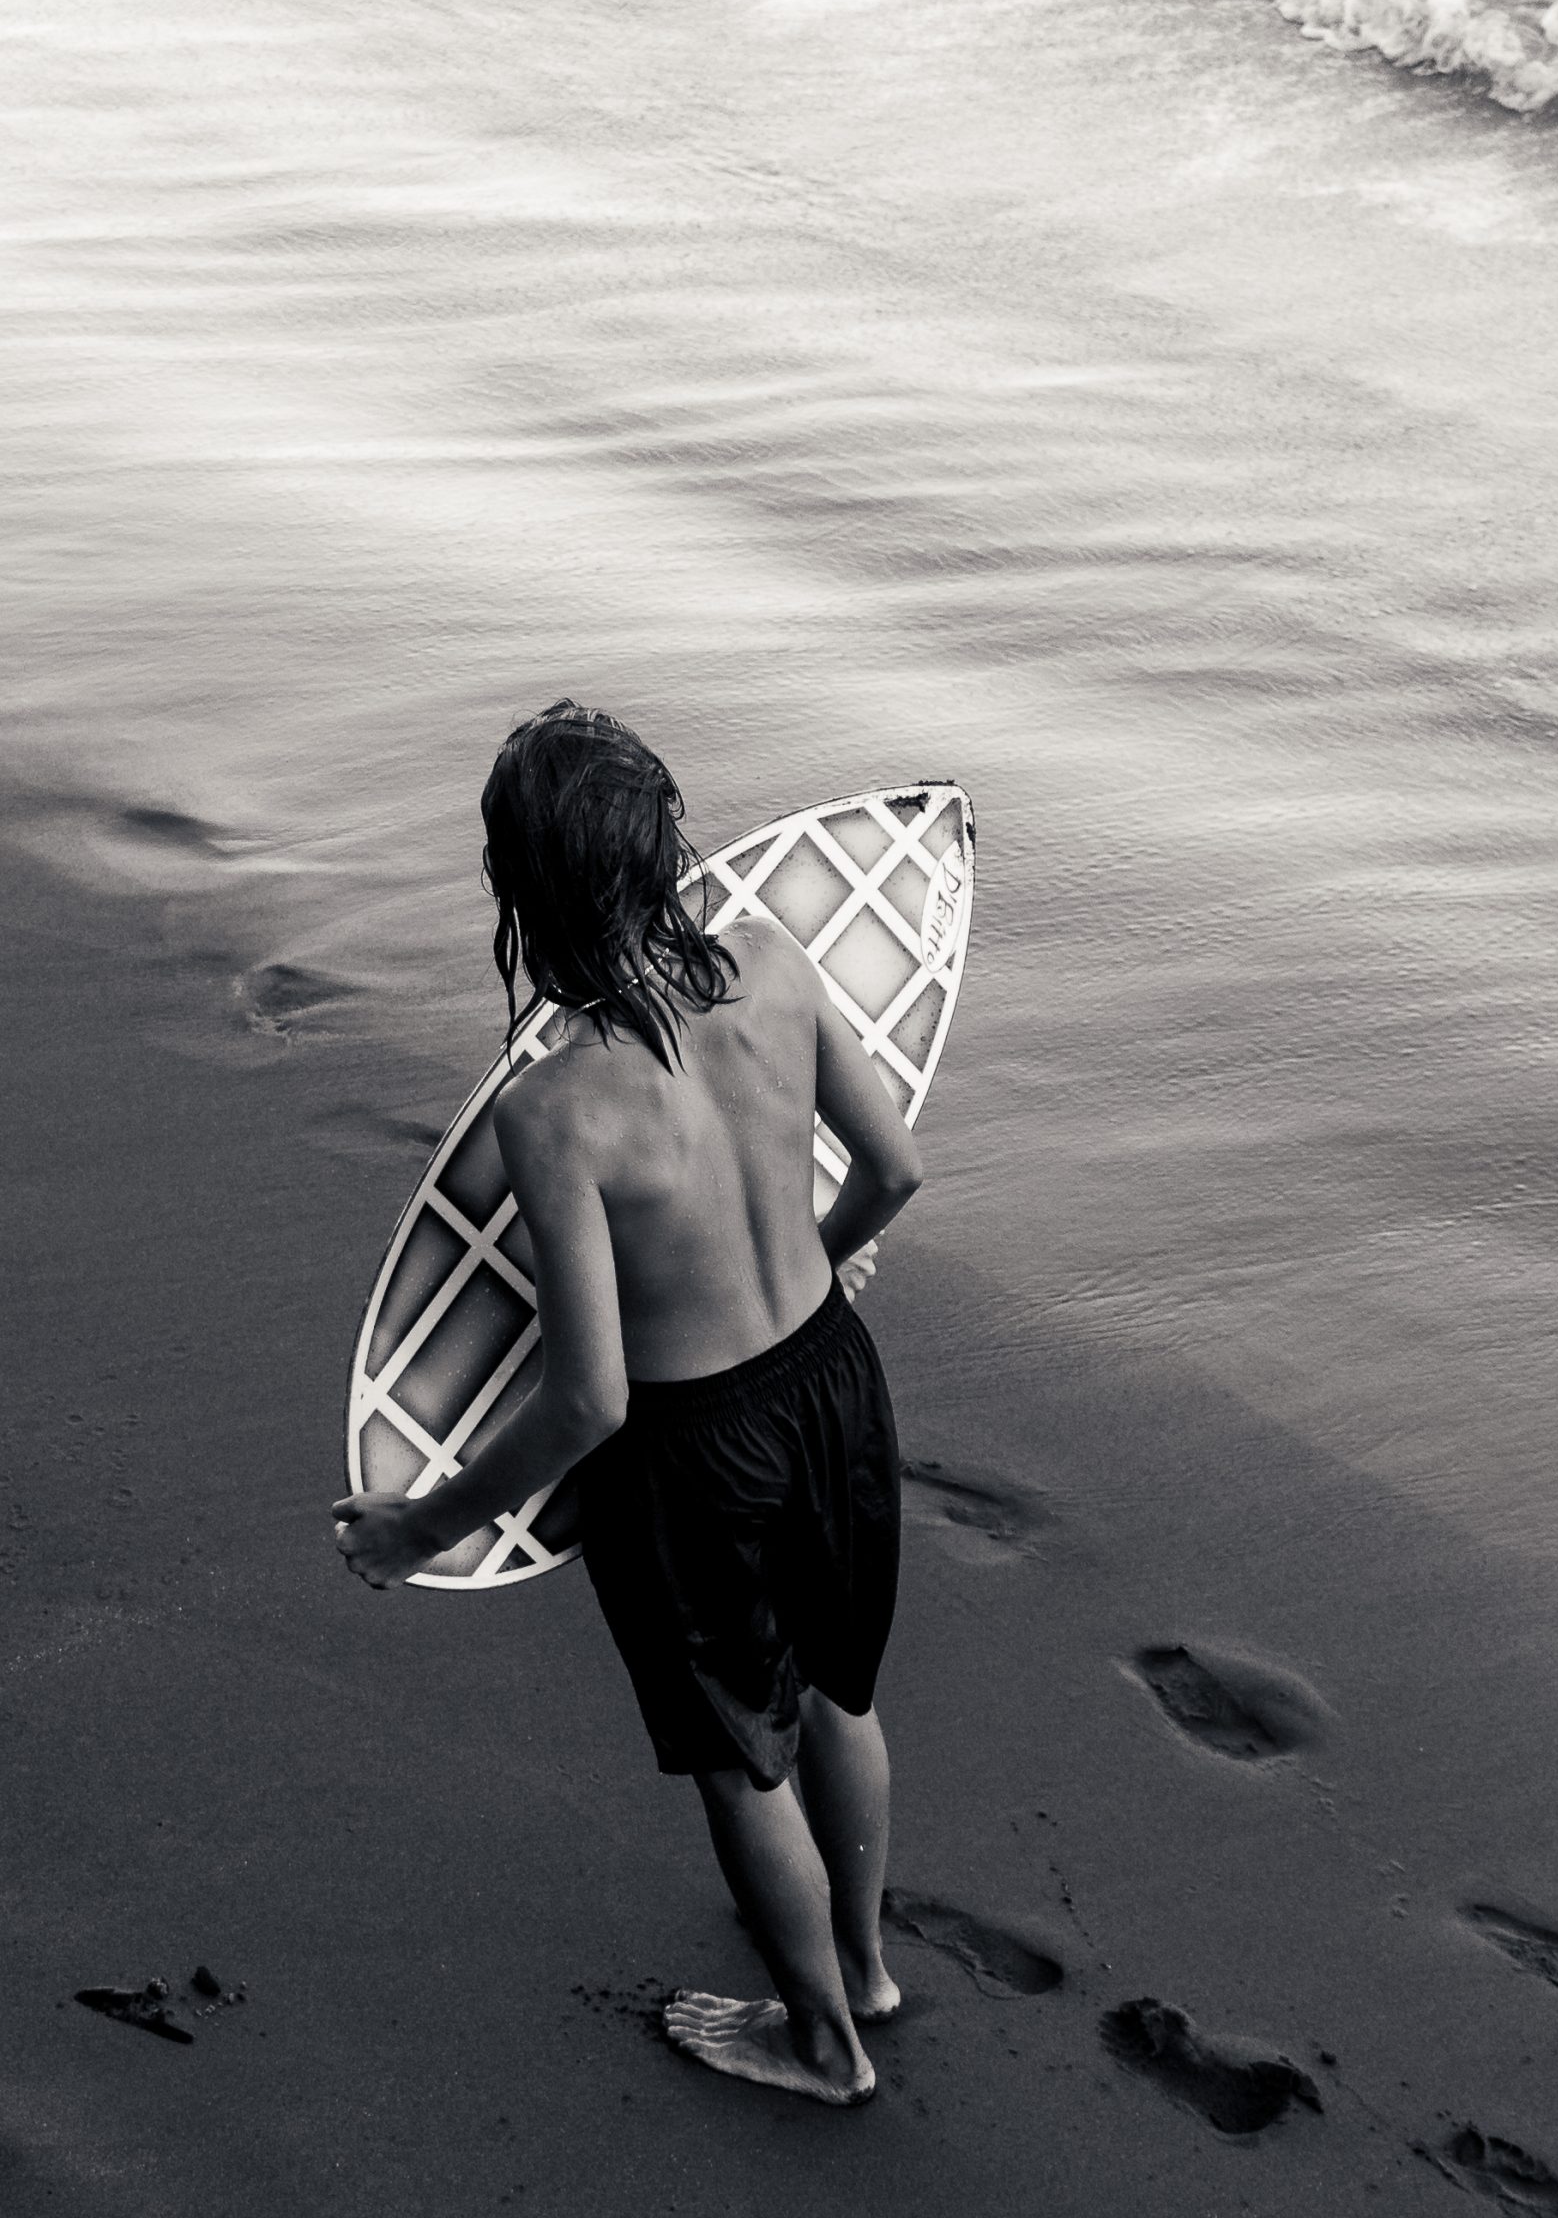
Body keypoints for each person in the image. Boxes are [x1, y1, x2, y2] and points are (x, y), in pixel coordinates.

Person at [332, 702, 923, 2107]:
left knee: (741, 1757)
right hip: (833, 1381)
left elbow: (587, 1396)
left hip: (694, 1453)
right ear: (666, 849)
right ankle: (870, 1967)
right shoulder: (777, 970)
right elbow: (892, 1174)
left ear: (522, 894)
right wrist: (806, 1261)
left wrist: (422, 1527)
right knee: (837, 1689)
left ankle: (823, 2048)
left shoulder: (557, 1110)